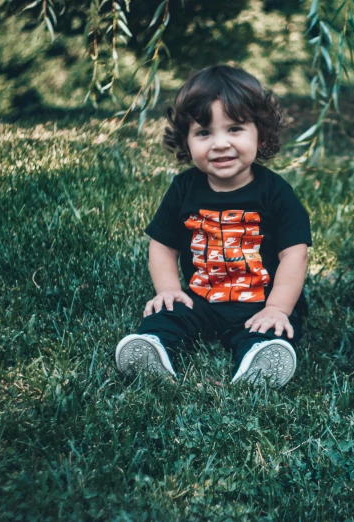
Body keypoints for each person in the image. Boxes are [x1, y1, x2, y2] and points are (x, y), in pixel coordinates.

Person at [115, 65, 311, 388]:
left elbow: (295, 253)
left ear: (260, 133)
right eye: (204, 133)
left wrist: (277, 307)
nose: (219, 144)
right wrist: (168, 290)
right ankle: (154, 349)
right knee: (166, 317)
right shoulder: (183, 189)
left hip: (261, 301)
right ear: (186, 140)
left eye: (234, 129)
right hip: (201, 299)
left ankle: (259, 359)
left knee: (274, 328)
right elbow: (163, 245)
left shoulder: (275, 193)